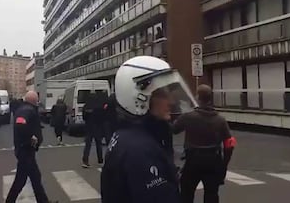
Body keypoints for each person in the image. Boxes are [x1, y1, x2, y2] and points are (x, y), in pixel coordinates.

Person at [101, 56, 196, 203]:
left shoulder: (126, 135)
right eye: (162, 94)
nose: (171, 101)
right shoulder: (140, 150)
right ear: (139, 99)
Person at [173, 84, 235, 203]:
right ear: (210, 98)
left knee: (186, 193)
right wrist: (224, 164)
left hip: (192, 161)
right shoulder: (220, 120)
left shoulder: (188, 117)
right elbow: (230, 143)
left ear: (197, 98)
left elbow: (173, 130)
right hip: (213, 162)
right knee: (212, 195)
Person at [5, 91, 57, 203]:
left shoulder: (23, 109)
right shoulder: (27, 110)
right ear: (33, 101)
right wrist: (31, 137)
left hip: (25, 150)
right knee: (26, 180)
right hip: (26, 150)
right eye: (37, 100)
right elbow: (20, 123)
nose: (38, 102)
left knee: (31, 178)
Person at [82, 93, 104, 168]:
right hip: (98, 127)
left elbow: (84, 118)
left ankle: (85, 161)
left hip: (89, 127)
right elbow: (102, 117)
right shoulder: (99, 106)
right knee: (99, 144)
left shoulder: (86, 106)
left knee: (88, 145)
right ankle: (100, 160)